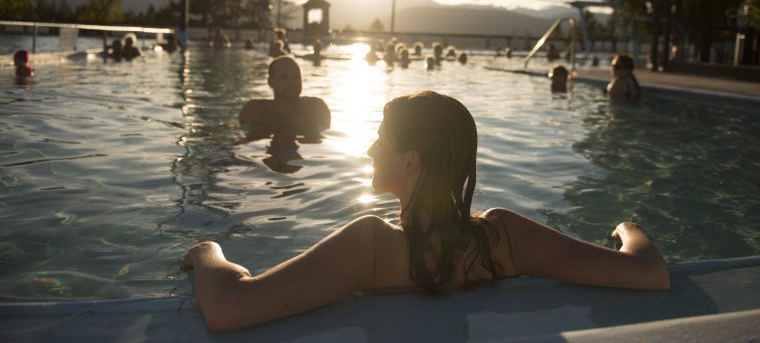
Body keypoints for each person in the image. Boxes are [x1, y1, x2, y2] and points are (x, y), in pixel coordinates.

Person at [184, 91, 669, 332]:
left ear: (412, 161)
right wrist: (628, 229)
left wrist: (208, 252)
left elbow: (229, 307)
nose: (370, 149)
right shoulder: (503, 237)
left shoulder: (371, 246)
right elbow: (647, 273)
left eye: (381, 138)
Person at [238, 55, 331, 140]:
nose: (292, 82)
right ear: (270, 82)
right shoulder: (255, 110)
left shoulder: (315, 109)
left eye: (296, 77)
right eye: (284, 77)